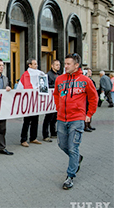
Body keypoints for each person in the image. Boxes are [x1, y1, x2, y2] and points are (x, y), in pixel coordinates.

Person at [53, 53, 98, 190]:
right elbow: (56, 94)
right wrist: (59, 108)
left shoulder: (85, 80)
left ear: (76, 65)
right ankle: (77, 158)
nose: (64, 66)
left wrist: (89, 114)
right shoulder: (60, 79)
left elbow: (93, 98)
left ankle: (70, 176)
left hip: (77, 119)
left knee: (73, 147)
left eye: (68, 64)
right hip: (61, 118)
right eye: (64, 63)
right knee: (62, 144)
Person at [17, 58, 44, 147]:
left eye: (36, 64)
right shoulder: (26, 75)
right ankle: (23, 139)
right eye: (35, 64)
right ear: (29, 65)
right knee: (27, 121)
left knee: (35, 120)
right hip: (28, 102)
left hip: (36, 101)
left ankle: (33, 137)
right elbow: (23, 87)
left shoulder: (40, 73)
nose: (36, 65)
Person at [42, 60, 61, 142]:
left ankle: (53, 132)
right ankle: (45, 135)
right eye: (56, 65)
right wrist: (57, 86)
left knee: (54, 117)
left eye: (59, 65)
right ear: (52, 66)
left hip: (56, 100)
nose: (58, 66)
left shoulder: (58, 74)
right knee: (48, 118)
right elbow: (47, 86)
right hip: (50, 99)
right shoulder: (49, 75)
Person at [84, 67, 97, 132]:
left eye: (91, 72)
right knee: (86, 112)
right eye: (89, 72)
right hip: (86, 99)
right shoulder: (85, 80)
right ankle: (85, 125)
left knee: (90, 111)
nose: (90, 73)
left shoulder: (90, 80)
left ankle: (89, 125)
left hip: (90, 99)